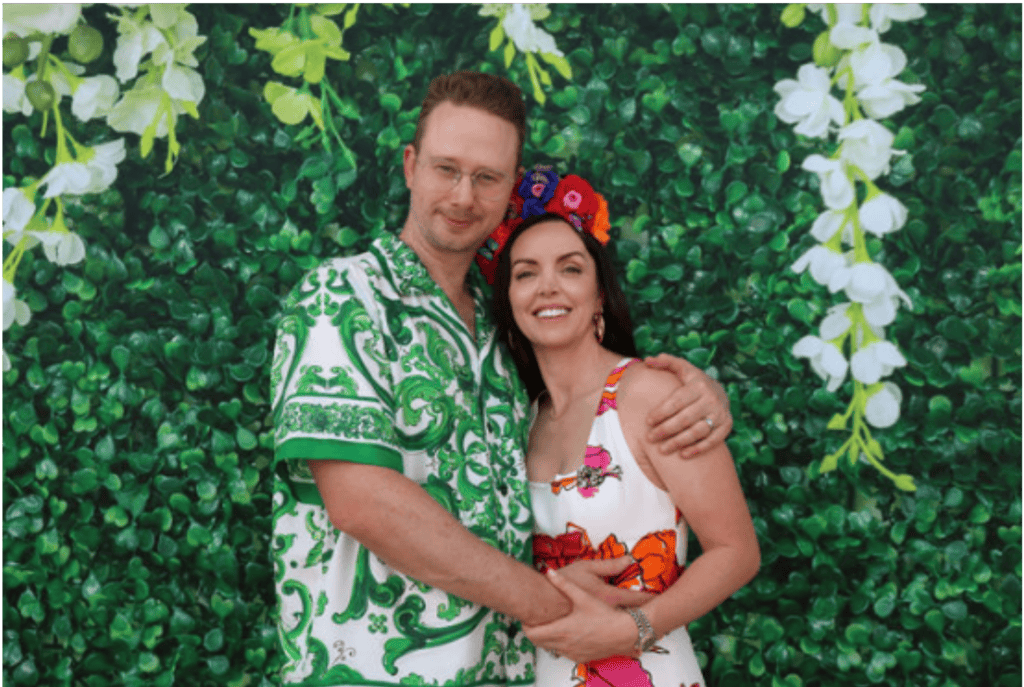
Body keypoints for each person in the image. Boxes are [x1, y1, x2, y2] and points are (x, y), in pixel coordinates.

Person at [270, 71, 733, 686]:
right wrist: (559, 609)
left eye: (486, 177)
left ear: (510, 188)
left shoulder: (503, 332)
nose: (463, 196)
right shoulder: (346, 295)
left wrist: (701, 397)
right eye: (445, 169)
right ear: (410, 166)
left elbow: (590, 398)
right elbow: (364, 503)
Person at [487, 167, 761, 686]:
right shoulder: (521, 419)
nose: (547, 286)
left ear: (598, 296)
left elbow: (736, 552)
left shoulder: (647, 395)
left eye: (570, 269)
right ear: (511, 302)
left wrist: (631, 630)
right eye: (525, 273)